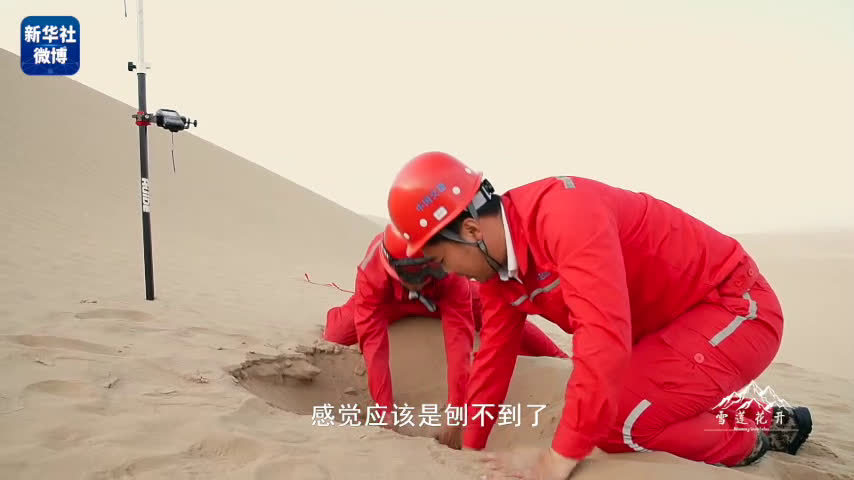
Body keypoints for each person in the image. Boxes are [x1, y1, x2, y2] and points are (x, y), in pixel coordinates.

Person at [385, 151, 812, 479]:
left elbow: (603, 341)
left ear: (472, 231)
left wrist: (558, 459)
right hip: (670, 334)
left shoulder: (564, 215)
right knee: (628, 399)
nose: (449, 273)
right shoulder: (499, 276)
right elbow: (493, 362)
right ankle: (773, 419)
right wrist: (469, 447)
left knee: (618, 423)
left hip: (736, 309)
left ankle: (749, 441)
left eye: (441, 259)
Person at [323, 223, 568, 442]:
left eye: (431, 268)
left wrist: (455, 412)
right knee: (335, 333)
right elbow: (374, 345)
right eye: (417, 273)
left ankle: (561, 359)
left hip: (440, 297)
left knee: (502, 312)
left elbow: (459, 343)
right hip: (389, 301)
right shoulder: (372, 272)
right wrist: (384, 412)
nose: (424, 278)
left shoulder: (448, 275)